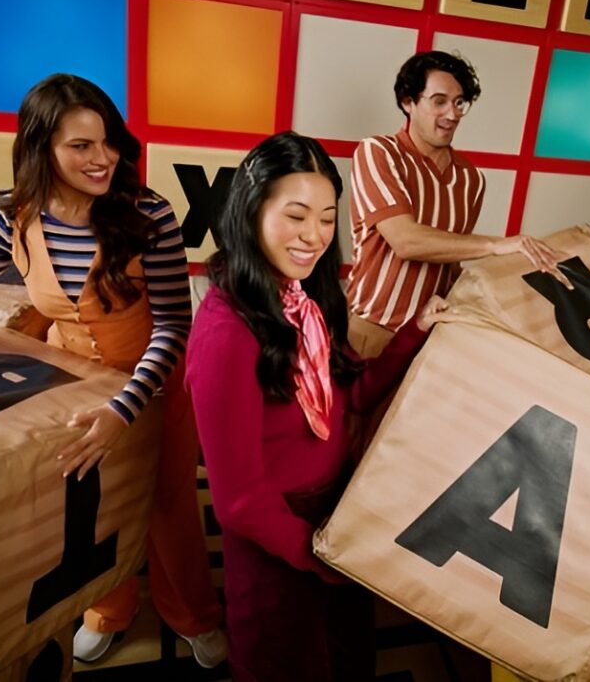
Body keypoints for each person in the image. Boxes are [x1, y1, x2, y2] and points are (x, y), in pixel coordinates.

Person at [0, 74, 226, 667]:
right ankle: (109, 609)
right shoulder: (9, 220)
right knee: (93, 509)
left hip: (152, 383)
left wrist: (122, 411)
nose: (102, 159)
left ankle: (193, 615)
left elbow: (176, 324)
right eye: (80, 146)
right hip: (69, 389)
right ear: (40, 147)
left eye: (108, 142)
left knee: (169, 509)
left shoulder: (149, 213)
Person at [185, 131, 453, 681]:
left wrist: (415, 331)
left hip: (334, 513)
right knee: (283, 661)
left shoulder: (307, 295)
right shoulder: (225, 331)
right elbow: (238, 502)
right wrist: (320, 553)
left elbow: (348, 394)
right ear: (251, 211)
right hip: (279, 537)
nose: (314, 237)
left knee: (344, 656)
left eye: (328, 218)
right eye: (297, 216)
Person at [347, 49, 561, 359]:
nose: (453, 113)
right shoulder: (379, 152)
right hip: (373, 330)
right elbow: (406, 241)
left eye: (459, 102)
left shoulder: (471, 180)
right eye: (439, 101)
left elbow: (450, 259)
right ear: (408, 102)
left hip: (430, 337)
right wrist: (498, 246)